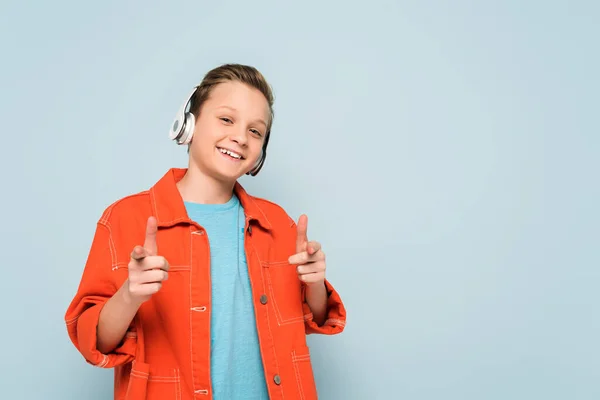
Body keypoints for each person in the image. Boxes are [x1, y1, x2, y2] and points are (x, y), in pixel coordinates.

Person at [64, 63, 346, 400]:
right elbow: (95, 343)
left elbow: (310, 319)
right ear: (189, 124)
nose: (241, 137)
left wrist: (314, 285)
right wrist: (131, 295)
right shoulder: (125, 219)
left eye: (255, 131)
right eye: (226, 119)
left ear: (260, 153)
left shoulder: (277, 224)